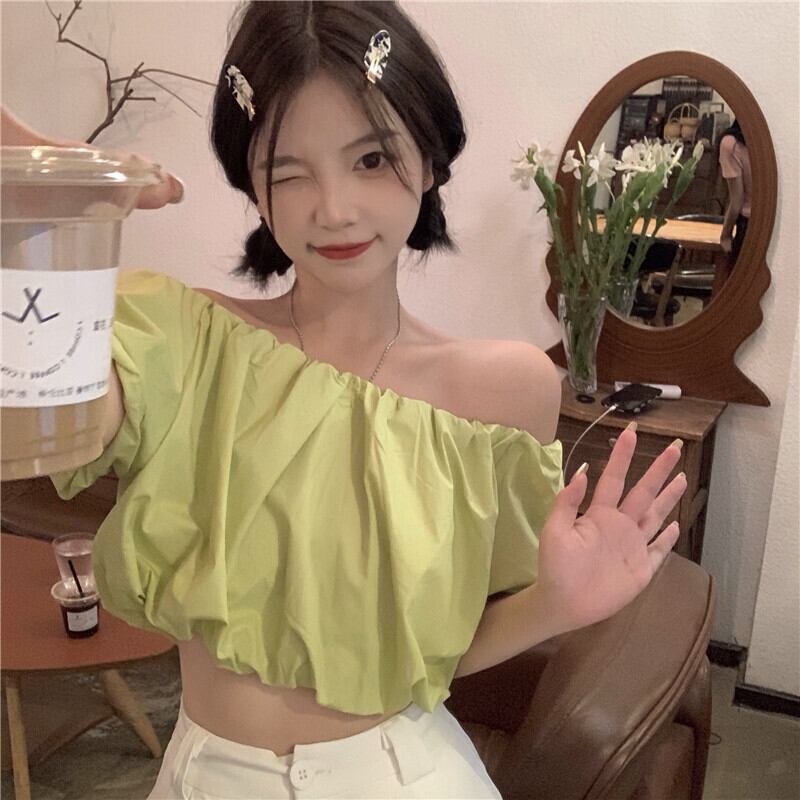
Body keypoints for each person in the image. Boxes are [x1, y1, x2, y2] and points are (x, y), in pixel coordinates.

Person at [4, 3, 687, 797]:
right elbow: (44, 412)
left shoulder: (505, 391)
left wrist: (556, 606)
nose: (332, 208)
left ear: (427, 160)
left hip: (404, 774)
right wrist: (37, 204)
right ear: (254, 187)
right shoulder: (179, 340)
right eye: (288, 170)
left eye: (370, 159)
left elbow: (424, 650)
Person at [717, 118, 751, 267]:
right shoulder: (766, 142)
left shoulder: (730, 144)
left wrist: (725, 235)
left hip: (746, 226)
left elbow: (737, 202)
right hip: (765, 223)